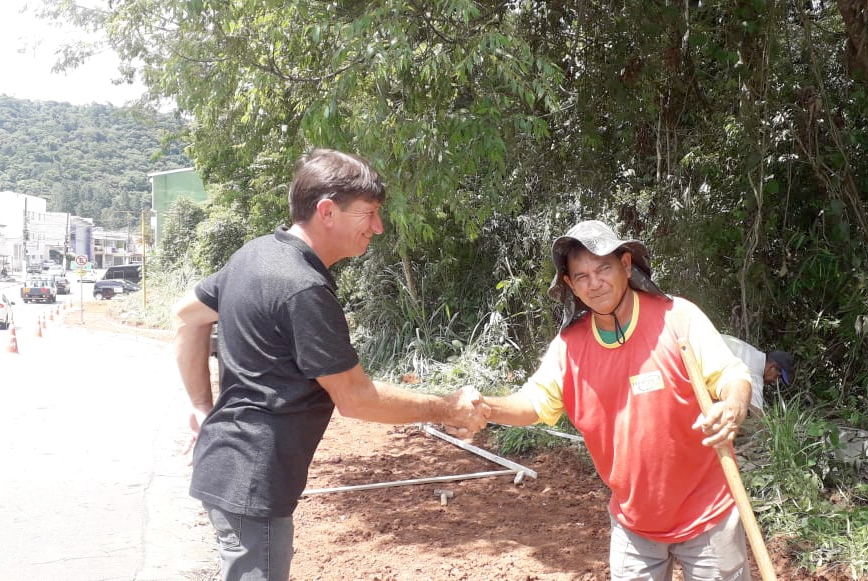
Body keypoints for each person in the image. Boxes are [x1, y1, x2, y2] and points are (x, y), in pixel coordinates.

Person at [171, 148, 490, 581]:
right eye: (369, 214)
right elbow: (356, 398)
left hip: (232, 469)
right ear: (326, 212)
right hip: (253, 481)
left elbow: (185, 316)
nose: (377, 227)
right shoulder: (302, 288)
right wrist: (444, 407)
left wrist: (201, 407)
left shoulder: (256, 254)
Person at [482, 220, 754, 581]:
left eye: (603, 269)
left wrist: (733, 404)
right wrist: (485, 407)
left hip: (707, 516)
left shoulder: (677, 319)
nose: (594, 284)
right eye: (581, 276)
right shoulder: (570, 349)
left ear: (626, 265)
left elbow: (732, 375)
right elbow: (533, 403)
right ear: (569, 285)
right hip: (634, 525)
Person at [721, 335, 795, 416]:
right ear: (772, 367)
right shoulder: (755, 371)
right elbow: (757, 415)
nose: (775, 381)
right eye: (777, 377)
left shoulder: (753, 353)